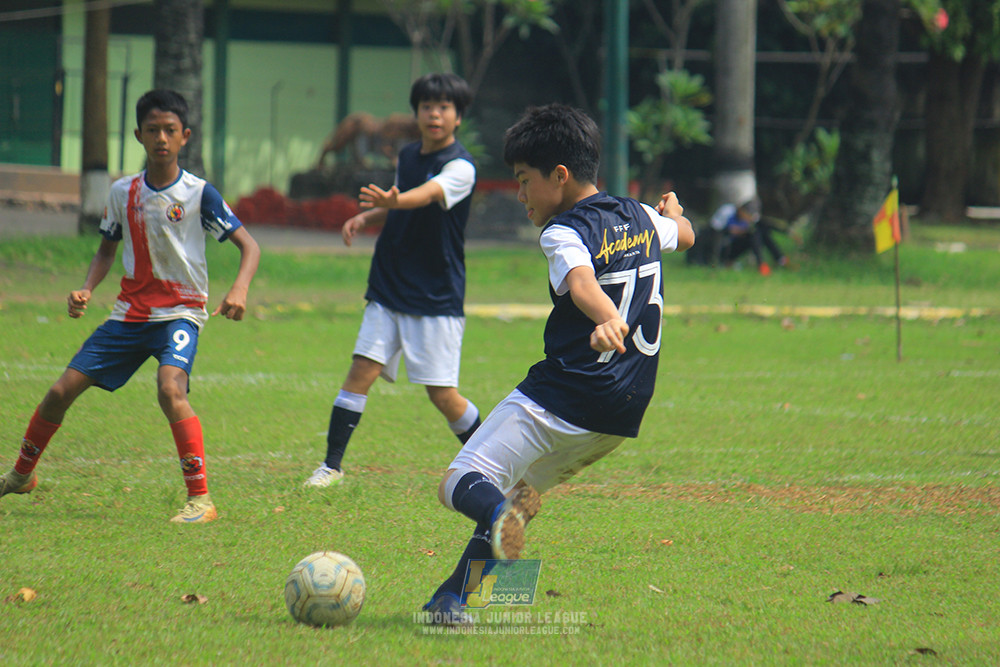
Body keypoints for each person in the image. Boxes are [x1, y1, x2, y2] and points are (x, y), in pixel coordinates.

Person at [421, 103, 695, 626]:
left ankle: (490, 538)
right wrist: (675, 216)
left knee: (460, 482)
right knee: (520, 499)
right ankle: (457, 604)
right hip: (621, 411)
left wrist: (606, 317)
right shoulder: (639, 215)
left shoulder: (562, 232)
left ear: (561, 176)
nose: (520, 194)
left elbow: (582, 281)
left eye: (524, 181)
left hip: (567, 393)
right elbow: (684, 237)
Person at [0, 89, 260, 524]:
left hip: (180, 312)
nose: (162, 138)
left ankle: (201, 500)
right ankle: (21, 474)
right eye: (153, 130)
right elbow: (106, 250)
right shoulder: (123, 193)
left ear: (185, 137)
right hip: (129, 315)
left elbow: (248, 246)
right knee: (60, 392)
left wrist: (240, 290)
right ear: (139, 135)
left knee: (170, 388)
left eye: (170, 131)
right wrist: (86, 288)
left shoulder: (199, 194)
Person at [303, 73, 482, 488]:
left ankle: (493, 459)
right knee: (360, 371)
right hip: (389, 283)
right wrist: (369, 215)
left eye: (444, 107)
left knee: (442, 395)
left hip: (435, 293)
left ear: (458, 118)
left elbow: (425, 196)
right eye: (427, 106)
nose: (434, 114)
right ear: (416, 113)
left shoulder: (461, 167)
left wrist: (394, 199)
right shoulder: (408, 154)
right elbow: (403, 201)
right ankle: (330, 466)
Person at [704, 197, 787, 275]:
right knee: (753, 233)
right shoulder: (727, 211)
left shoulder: (751, 218)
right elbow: (713, 232)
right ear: (741, 210)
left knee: (759, 233)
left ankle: (774, 261)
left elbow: (766, 225)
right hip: (722, 245)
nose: (748, 218)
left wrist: (787, 232)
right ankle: (719, 262)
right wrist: (730, 231)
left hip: (735, 247)